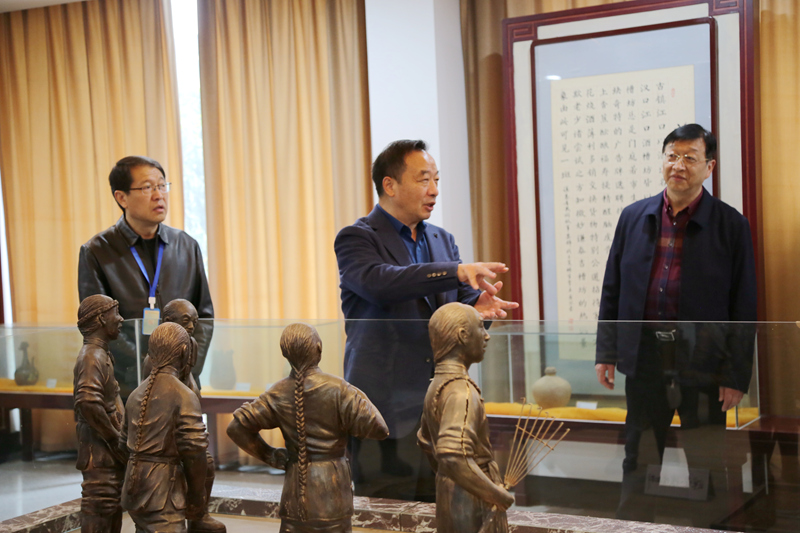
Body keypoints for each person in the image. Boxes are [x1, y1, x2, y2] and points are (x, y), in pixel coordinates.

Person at [334, 139, 518, 501]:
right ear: (390, 185)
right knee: (386, 513)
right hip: (384, 409)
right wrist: (455, 271)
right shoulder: (357, 237)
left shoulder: (442, 240)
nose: (434, 190)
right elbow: (381, 283)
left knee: (446, 508)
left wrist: (477, 309)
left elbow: (458, 303)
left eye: (437, 180)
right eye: (423, 180)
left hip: (442, 409)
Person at [595, 124, 757, 526]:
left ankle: (711, 528)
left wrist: (735, 374)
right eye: (672, 156)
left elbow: (744, 305)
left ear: (709, 167)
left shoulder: (730, 224)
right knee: (640, 455)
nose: (678, 166)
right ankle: (634, 528)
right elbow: (613, 288)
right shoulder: (634, 217)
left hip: (704, 361)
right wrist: (607, 351)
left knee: (705, 460)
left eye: (690, 158)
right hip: (646, 357)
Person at [227, 323, 389, 532]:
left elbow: (236, 428)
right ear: (319, 348)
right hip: (333, 492)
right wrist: (356, 395)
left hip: (295, 495)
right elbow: (379, 428)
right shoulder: (339, 389)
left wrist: (270, 455)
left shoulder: (277, 392)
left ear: (285, 355)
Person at [78, 155, 213, 397]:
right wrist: (149, 370)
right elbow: (98, 326)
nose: (159, 195)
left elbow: (204, 318)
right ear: (121, 197)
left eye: (162, 185)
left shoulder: (187, 246)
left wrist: (185, 368)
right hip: (126, 387)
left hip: (183, 382)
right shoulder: (97, 251)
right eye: (148, 187)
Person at [418, 302, 514, 533]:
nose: (486, 335)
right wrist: (496, 494)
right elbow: (453, 455)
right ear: (462, 335)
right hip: (470, 497)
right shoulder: (462, 391)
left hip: (451, 489)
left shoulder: (437, 384)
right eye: (480, 327)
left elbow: (425, 441)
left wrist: (446, 475)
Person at [141, 299, 226, 533]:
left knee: (207, 464)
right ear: (168, 321)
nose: (191, 326)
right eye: (186, 320)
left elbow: (189, 383)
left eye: (195, 322)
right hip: (164, 430)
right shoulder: (154, 358)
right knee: (188, 464)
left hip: (184, 419)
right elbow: (154, 396)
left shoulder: (191, 345)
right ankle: (181, 513)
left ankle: (198, 515)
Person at [121, 322, 209, 533]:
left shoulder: (134, 394)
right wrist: (198, 495)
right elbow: (195, 453)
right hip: (163, 493)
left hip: (134, 486)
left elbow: (122, 445)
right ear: (184, 351)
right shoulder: (183, 395)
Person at [73, 294, 127, 533]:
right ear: (102, 318)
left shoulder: (100, 354)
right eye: (116, 313)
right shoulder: (92, 356)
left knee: (110, 503)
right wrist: (114, 438)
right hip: (100, 449)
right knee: (100, 504)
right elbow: (87, 402)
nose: (121, 319)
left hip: (105, 449)